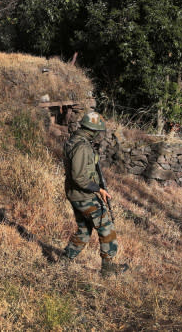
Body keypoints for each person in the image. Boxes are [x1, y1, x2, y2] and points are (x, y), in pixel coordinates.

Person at [62, 111, 129, 277]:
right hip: (83, 195)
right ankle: (108, 269)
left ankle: (65, 259)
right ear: (92, 130)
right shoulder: (82, 147)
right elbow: (79, 176)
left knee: (84, 229)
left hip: (76, 194)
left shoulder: (75, 140)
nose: (99, 135)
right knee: (107, 228)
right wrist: (98, 189)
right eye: (97, 132)